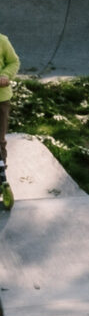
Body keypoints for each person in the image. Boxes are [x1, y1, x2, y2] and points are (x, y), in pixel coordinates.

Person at [0, 25, 18, 211]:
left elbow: (14, 62)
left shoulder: (2, 41)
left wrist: (5, 75)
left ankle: (1, 177)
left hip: (0, 99)